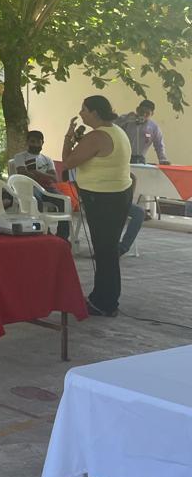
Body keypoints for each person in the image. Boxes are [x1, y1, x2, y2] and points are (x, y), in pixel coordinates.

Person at [62, 96, 132, 317]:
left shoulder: (96, 136)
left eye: (84, 109)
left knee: (104, 250)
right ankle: (104, 297)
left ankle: (105, 302)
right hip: (119, 195)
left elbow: (68, 162)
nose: (80, 113)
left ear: (94, 112)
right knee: (107, 249)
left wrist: (68, 137)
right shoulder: (117, 131)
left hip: (103, 198)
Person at [116, 99, 170, 165]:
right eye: (142, 111)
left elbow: (159, 145)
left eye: (147, 113)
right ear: (137, 109)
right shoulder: (127, 120)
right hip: (124, 157)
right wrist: (126, 119)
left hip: (140, 159)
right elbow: (113, 125)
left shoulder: (153, 127)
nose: (144, 114)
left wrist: (162, 159)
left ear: (152, 114)